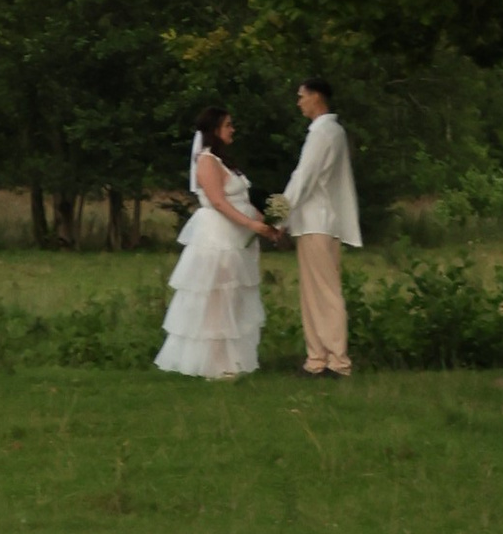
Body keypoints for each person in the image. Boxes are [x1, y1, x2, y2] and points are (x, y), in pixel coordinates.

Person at [154, 104, 277, 378]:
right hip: (217, 239)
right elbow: (219, 202)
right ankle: (215, 363)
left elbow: (240, 200)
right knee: (217, 301)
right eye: (228, 125)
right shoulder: (207, 161)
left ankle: (231, 361)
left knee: (232, 300)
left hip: (237, 239)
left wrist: (267, 225)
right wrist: (250, 224)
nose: (232, 130)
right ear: (215, 131)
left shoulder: (226, 163)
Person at [281, 75, 361, 376]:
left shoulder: (323, 133)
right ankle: (317, 359)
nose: (299, 102)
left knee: (325, 292)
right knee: (313, 293)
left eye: (302, 96)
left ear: (316, 97)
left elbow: (303, 178)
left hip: (319, 222)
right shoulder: (330, 132)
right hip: (316, 222)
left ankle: (337, 361)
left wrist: (277, 215)